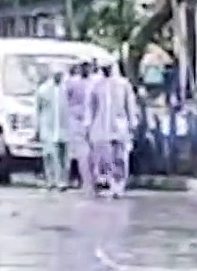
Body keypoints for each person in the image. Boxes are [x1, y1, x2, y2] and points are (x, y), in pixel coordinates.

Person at [91, 63, 139, 196]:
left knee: (120, 157)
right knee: (105, 158)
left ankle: (120, 184)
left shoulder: (123, 84)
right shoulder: (96, 85)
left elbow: (130, 104)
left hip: (120, 126)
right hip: (102, 127)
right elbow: (92, 106)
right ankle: (109, 183)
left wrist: (132, 123)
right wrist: (90, 126)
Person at [33, 69, 68, 190]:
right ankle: (51, 180)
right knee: (49, 155)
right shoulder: (44, 90)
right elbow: (37, 110)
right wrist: (36, 128)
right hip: (48, 127)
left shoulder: (66, 89)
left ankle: (62, 181)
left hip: (64, 127)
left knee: (63, 157)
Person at [63, 62, 94, 193]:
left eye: (88, 66)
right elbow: (66, 99)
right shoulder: (72, 82)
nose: (85, 69)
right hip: (76, 120)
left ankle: (94, 181)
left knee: (94, 153)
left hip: (93, 120)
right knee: (78, 152)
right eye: (83, 67)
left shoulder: (95, 82)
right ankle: (78, 179)